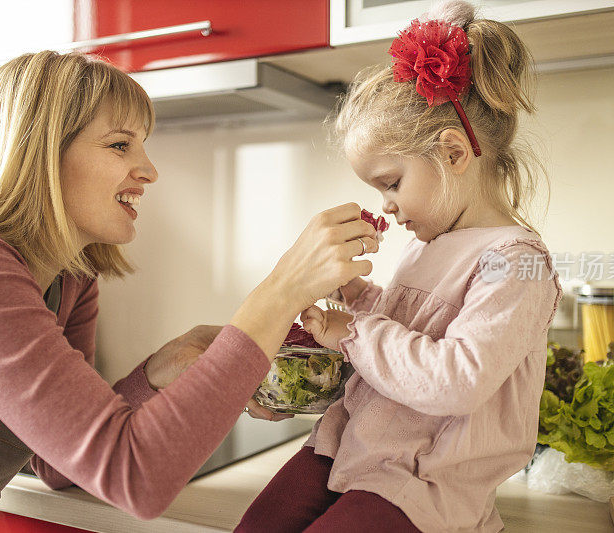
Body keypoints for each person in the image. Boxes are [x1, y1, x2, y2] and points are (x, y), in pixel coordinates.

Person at [0, 50, 381, 531]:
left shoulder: (70, 275)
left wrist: (156, 372)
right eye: (118, 145)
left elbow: (56, 465)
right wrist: (281, 290)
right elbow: (135, 476)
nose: (149, 170)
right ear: (38, 149)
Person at [236, 1, 563, 532]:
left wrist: (352, 332)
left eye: (391, 182)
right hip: (347, 446)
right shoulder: (427, 244)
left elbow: (456, 380)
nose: (386, 204)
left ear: (453, 153)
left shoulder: (515, 263)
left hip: (421, 481)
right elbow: (404, 333)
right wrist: (354, 296)